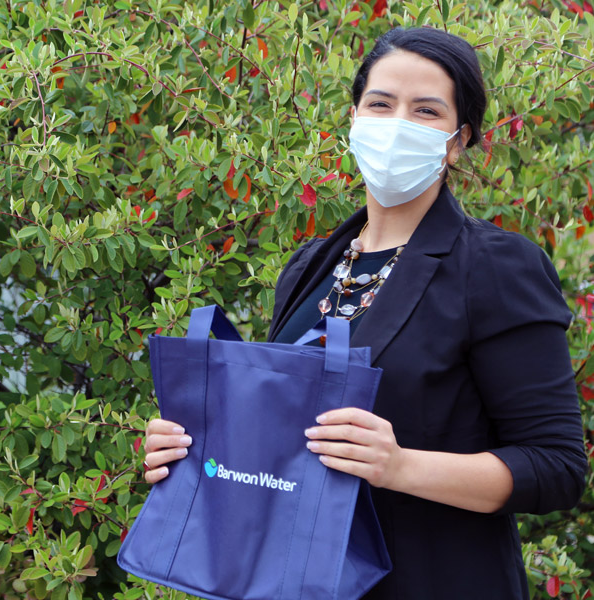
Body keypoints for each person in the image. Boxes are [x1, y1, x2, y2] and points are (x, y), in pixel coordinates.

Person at [142, 27, 586, 599]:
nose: (397, 123)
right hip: (296, 582)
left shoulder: (496, 267)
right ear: (354, 117)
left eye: (426, 111)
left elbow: (556, 468)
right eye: (381, 104)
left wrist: (398, 465)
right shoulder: (310, 265)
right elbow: (287, 442)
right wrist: (195, 448)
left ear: (456, 141)